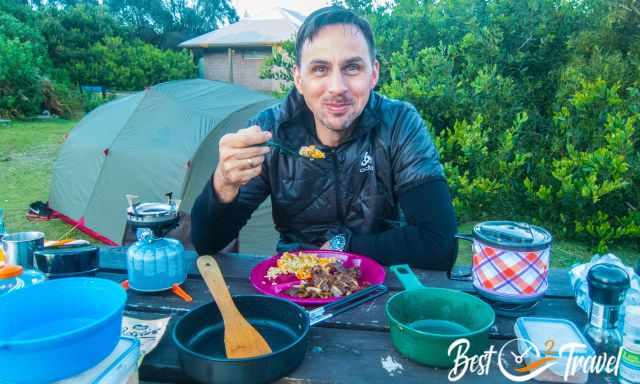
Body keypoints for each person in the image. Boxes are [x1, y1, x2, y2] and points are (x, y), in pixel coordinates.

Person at [191, 6, 458, 270]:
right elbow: (207, 244)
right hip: (294, 281)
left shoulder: (399, 123)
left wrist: (344, 248)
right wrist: (223, 183)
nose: (337, 88)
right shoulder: (269, 129)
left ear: (373, 73)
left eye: (352, 67)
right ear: (298, 78)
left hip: (378, 282)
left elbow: (440, 243)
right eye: (320, 69)